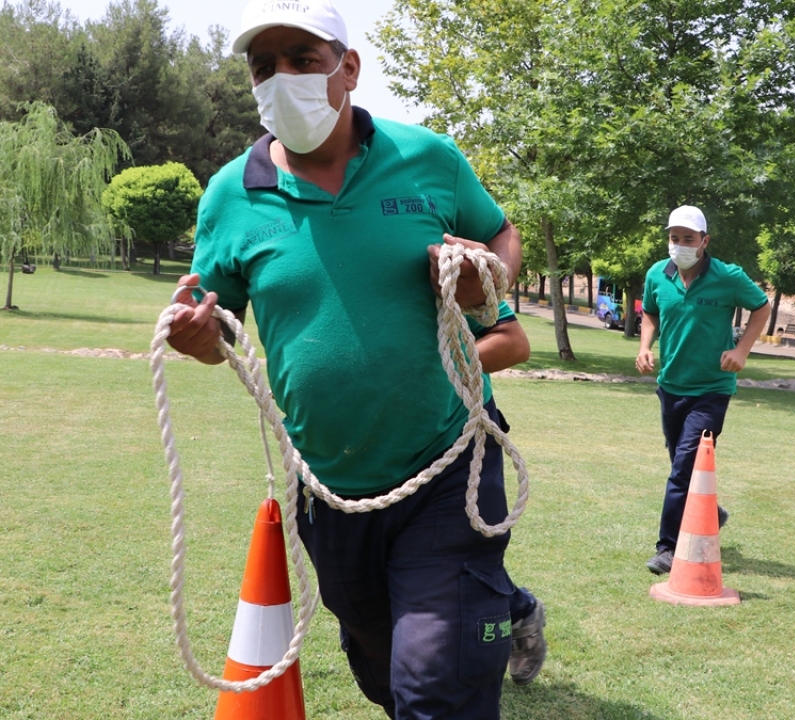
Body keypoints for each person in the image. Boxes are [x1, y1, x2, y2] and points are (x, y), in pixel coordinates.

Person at [162, 1, 538, 715]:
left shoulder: (428, 158)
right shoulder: (228, 196)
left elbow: (502, 234)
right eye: (263, 66)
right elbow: (221, 331)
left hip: (448, 464)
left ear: (348, 68)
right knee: (380, 664)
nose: (282, 79)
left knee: (436, 680)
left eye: (303, 60)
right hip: (327, 487)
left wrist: (488, 276)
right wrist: (200, 339)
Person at [635, 205, 771, 575]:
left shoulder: (728, 276)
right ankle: (711, 512)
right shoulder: (656, 275)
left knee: (682, 469)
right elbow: (649, 312)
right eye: (674, 238)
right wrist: (645, 346)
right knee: (683, 465)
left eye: (688, 239)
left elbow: (761, 307)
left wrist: (741, 349)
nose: (679, 245)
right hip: (671, 387)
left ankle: (667, 547)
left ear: (704, 241)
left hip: (712, 390)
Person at [467, 302, 546, 686]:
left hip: (458, 434)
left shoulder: (437, 246)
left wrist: (415, 364)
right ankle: (519, 609)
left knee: (467, 556)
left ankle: (518, 613)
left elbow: (512, 342)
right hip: (353, 450)